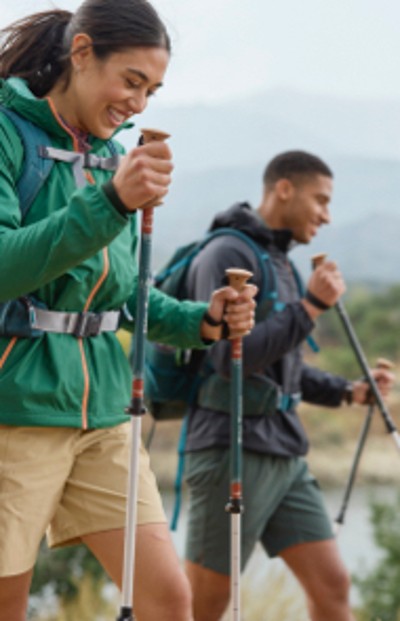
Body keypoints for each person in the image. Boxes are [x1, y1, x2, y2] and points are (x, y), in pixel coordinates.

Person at [0, 3, 257, 621]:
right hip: (17, 407)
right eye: (132, 82)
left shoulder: (115, 154)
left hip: (107, 413)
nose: (139, 104)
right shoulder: (9, 133)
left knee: (168, 600)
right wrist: (113, 201)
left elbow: (123, 290)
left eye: (153, 89)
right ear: (81, 54)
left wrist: (203, 320)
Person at [182, 150, 394, 621]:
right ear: (284, 189)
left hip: (283, 449)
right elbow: (227, 358)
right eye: (320, 200)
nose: (326, 215)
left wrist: (349, 391)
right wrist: (313, 306)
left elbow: (283, 365)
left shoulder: (280, 262)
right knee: (204, 606)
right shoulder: (227, 253)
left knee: (333, 586)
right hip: (229, 447)